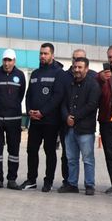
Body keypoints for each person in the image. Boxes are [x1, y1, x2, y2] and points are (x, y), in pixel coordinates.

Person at [21, 43, 65, 192]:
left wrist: (42, 112)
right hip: (34, 121)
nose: (42, 56)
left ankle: (48, 181)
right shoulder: (35, 73)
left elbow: (57, 97)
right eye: (41, 53)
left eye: (45, 54)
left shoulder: (59, 73)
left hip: (51, 121)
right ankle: (31, 179)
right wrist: (29, 111)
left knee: (49, 151)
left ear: (52, 55)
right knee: (31, 150)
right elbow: (28, 95)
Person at [58, 57, 100, 196]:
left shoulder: (93, 85)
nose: (76, 70)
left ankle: (89, 185)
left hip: (85, 129)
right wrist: (66, 117)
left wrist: (74, 117)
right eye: (75, 67)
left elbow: (92, 105)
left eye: (80, 67)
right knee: (71, 158)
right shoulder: (69, 84)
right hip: (69, 128)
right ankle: (72, 184)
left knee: (87, 159)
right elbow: (63, 103)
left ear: (86, 69)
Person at [0, 49, 26, 190]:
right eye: (5, 60)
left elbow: (20, 95)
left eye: (9, 60)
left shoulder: (20, 75)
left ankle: (12, 179)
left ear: (14, 61)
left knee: (13, 151)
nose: (7, 63)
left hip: (14, 119)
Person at [97, 45, 112, 197]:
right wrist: (100, 79)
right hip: (107, 118)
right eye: (110, 57)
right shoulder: (102, 75)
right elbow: (91, 85)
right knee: (110, 153)